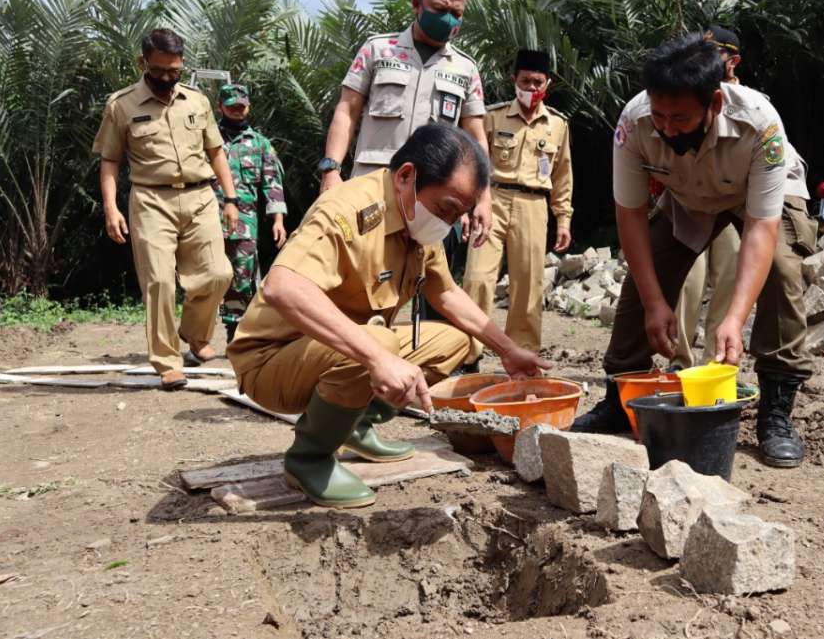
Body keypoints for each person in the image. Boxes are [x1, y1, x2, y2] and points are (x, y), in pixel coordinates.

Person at [227, 124, 550, 509]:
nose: (448, 224)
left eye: (458, 215)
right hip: (271, 360)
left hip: (337, 348)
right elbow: (282, 288)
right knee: (377, 344)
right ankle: (309, 458)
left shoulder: (417, 220)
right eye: (446, 209)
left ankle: (355, 425)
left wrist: (507, 349)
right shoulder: (346, 211)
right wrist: (377, 357)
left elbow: (445, 292)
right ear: (406, 176)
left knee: (455, 342)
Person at [571, 34, 818, 469]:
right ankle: (619, 396)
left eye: (679, 118)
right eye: (659, 115)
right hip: (689, 196)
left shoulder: (760, 124)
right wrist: (654, 304)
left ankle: (776, 411)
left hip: (758, 195)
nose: (666, 128)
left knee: (781, 270)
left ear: (715, 103)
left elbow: (761, 227)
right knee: (645, 277)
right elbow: (630, 215)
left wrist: (734, 319)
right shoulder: (634, 122)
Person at [93, 28, 237, 390]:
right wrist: (111, 208)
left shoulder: (197, 101)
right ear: (142, 63)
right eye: (158, 70)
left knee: (219, 273)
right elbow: (110, 160)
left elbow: (215, 151)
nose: (166, 78)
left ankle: (194, 333)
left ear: (182, 64)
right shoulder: (121, 105)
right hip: (151, 200)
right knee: (158, 281)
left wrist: (231, 199)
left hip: (200, 197)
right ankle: (168, 361)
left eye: (174, 71)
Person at [317, 0, 491, 249]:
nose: (448, 19)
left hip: (431, 203)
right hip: (372, 190)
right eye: (439, 9)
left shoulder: (466, 69)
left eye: (457, 13)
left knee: (423, 274)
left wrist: (483, 196)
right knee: (360, 270)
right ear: (416, 5)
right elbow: (346, 111)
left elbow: (476, 137)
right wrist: (331, 170)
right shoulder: (377, 50)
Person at [461, 49, 573, 373]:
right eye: (526, 81)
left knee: (528, 286)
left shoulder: (558, 125)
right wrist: (464, 208)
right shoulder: (492, 117)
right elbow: (469, 164)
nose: (531, 87)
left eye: (538, 82)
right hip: (491, 201)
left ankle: (523, 359)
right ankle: (466, 355)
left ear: (547, 84)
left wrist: (563, 219)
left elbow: (562, 174)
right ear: (514, 80)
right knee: (477, 279)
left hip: (534, 206)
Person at [671, 25, 743, 368]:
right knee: (688, 280)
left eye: (714, 54)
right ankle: (679, 361)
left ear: (733, 61)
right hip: (690, 202)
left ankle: (715, 364)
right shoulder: (683, 95)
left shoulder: (751, 103)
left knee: (729, 280)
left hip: (732, 204)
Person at [212, 83, 288, 342]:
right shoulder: (208, 140)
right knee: (205, 276)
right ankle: (197, 337)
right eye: (231, 106)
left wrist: (278, 220)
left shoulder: (260, 144)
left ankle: (235, 333)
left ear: (248, 107)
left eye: (241, 106)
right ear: (220, 107)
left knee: (242, 277)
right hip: (207, 218)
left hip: (244, 223)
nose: (237, 110)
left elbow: (272, 183)